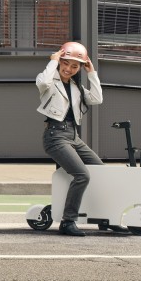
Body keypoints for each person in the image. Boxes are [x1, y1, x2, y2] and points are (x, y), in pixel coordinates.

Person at [36, 41, 103, 237]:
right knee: (82, 175)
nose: (69, 69)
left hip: (74, 136)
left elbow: (97, 99)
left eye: (75, 66)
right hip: (55, 136)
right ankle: (68, 222)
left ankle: (105, 216)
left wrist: (92, 73)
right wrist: (53, 61)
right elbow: (42, 83)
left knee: (100, 170)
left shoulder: (77, 87)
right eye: (66, 64)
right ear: (60, 62)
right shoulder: (48, 80)